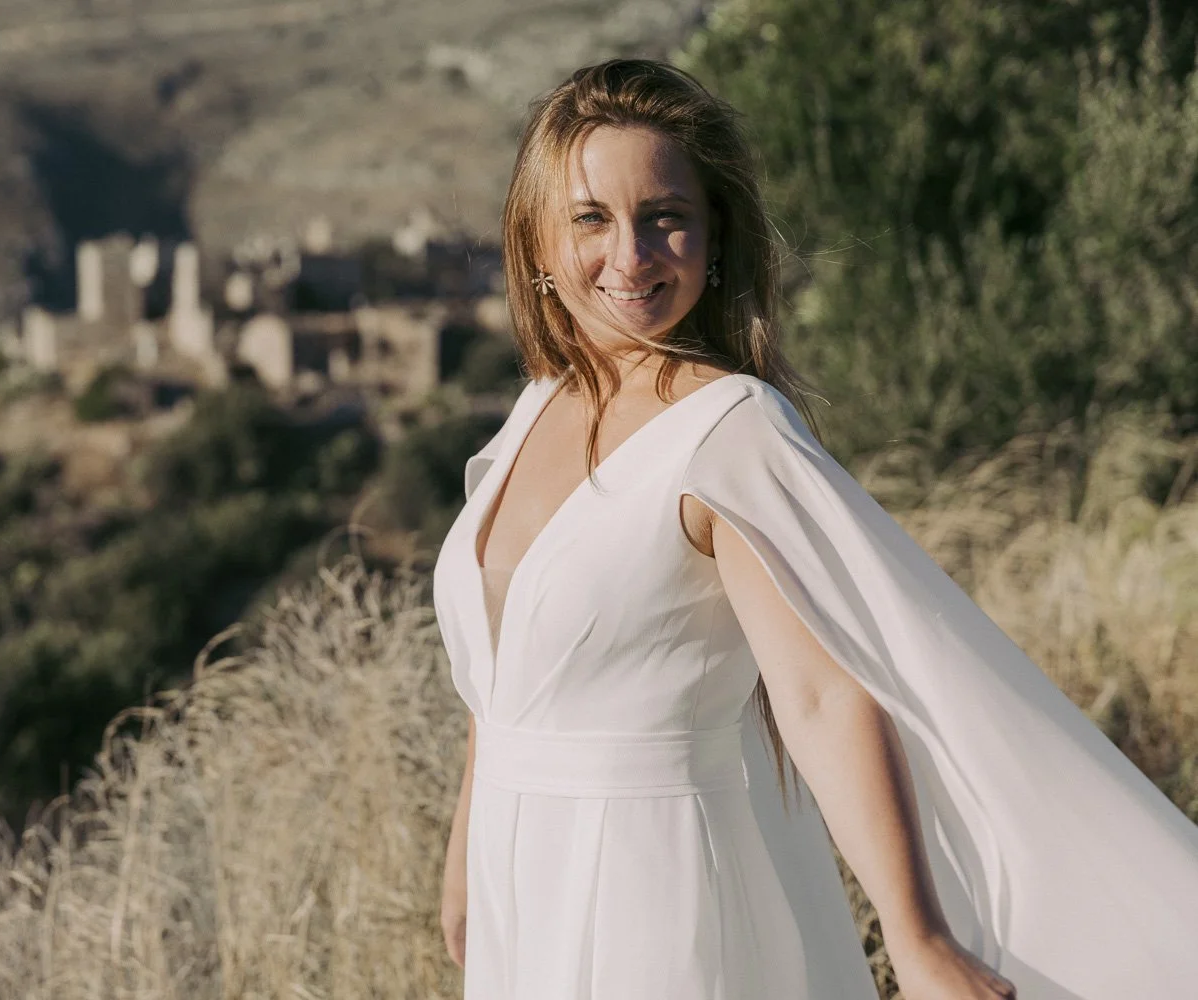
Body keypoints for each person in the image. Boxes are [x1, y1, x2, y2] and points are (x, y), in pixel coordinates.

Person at [432, 59, 1198, 999]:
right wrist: (468, 850)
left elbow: (825, 699)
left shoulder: (729, 428)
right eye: (592, 217)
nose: (630, 256)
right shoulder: (538, 407)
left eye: (665, 215)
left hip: (651, 884)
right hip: (522, 878)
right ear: (538, 243)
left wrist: (916, 941)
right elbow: (501, 671)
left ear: (714, 242)